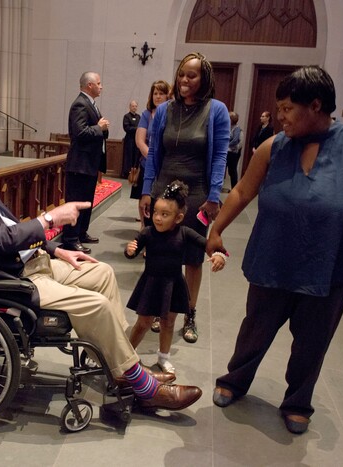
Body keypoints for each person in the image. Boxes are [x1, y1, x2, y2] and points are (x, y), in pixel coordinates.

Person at [0, 123, 203, 412]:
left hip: (27, 261)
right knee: (96, 305)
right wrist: (49, 219)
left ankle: (119, 364)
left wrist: (57, 249)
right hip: (2, 279)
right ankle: (141, 384)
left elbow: (12, 227)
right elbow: (1, 238)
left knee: (102, 273)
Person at [207, 66, 343, 435]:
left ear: (316, 105)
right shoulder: (273, 146)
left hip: (328, 266)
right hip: (272, 259)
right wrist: (217, 228)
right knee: (255, 329)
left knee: (312, 340)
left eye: (288, 109)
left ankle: (297, 401)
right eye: (279, 109)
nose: (280, 116)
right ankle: (235, 379)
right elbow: (244, 190)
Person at [140, 52, 230, 344]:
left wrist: (215, 195)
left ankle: (189, 313)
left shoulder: (216, 111)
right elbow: (154, 152)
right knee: (161, 254)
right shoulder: (165, 110)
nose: (184, 80)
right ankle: (159, 309)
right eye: (181, 74)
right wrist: (146, 190)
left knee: (192, 258)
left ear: (204, 79)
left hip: (197, 194)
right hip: (164, 192)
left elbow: (219, 156)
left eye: (191, 75)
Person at [126, 180, 226, 374]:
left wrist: (218, 255)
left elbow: (206, 244)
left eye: (165, 214)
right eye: (156, 212)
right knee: (143, 322)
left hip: (173, 284)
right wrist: (130, 251)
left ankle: (164, 357)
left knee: (168, 322)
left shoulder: (185, 233)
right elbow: (133, 247)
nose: (158, 218)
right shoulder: (148, 232)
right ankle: (127, 354)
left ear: (179, 218)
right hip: (151, 283)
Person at [61, 71, 109, 254]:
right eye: (99, 82)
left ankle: (81, 232)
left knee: (87, 201)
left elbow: (97, 130)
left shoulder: (91, 104)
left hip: (89, 164)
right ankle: (71, 238)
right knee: (76, 202)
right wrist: (99, 127)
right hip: (79, 164)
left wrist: (101, 128)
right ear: (90, 85)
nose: (101, 86)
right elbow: (79, 133)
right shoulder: (80, 104)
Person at [132, 80, 171, 207]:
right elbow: (139, 141)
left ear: (168, 96)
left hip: (166, 165)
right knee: (145, 198)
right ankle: (144, 225)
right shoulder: (146, 114)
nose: (158, 96)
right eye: (155, 93)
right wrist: (153, 157)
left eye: (161, 93)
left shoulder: (172, 113)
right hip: (147, 161)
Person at [122, 100, 140, 178]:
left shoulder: (139, 117)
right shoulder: (126, 116)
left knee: (136, 156)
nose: (134, 108)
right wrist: (137, 129)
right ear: (130, 107)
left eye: (135, 106)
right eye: (133, 106)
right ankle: (127, 173)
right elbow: (127, 128)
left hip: (137, 139)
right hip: (129, 140)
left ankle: (134, 173)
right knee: (128, 156)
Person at [226, 111, 243, 190]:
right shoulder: (228, 127)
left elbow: (235, 140)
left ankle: (234, 189)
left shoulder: (237, 128)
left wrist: (226, 145)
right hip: (227, 152)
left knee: (232, 171)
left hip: (233, 153)